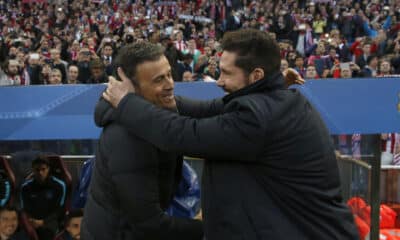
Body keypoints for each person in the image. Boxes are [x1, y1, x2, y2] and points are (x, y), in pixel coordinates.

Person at [102, 29, 359, 239]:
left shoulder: (258, 118)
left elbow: (181, 134)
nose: (219, 81)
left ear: (256, 75)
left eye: (226, 73)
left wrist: (126, 103)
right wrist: (157, 98)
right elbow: (209, 108)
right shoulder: (270, 97)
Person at [81, 42, 203, 240]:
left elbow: (203, 111)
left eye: (169, 75)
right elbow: (150, 225)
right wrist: (210, 229)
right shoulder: (128, 138)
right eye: (159, 80)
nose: (170, 84)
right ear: (129, 87)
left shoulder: (154, 109)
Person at [20, 156, 66, 240]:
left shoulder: (58, 185)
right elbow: (25, 208)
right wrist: (33, 221)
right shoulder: (26, 187)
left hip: (51, 222)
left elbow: (59, 209)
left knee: (45, 235)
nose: (40, 172)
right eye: (37, 170)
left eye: (43, 169)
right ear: (33, 170)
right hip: (32, 221)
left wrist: (43, 222)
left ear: (48, 169)